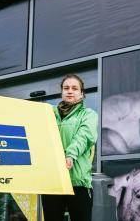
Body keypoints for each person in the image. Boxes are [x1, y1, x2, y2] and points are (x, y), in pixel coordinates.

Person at [42, 74, 98, 221]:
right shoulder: (49, 115)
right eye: (66, 88)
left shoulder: (89, 114)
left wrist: (70, 154)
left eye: (75, 88)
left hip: (78, 183)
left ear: (82, 93)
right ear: (62, 92)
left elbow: (85, 136)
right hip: (53, 182)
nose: (70, 91)